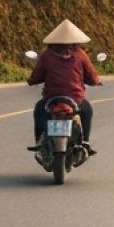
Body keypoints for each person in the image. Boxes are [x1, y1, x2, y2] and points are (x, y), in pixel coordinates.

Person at [28, 19, 103, 154]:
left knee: (39, 110)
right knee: (87, 110)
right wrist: (96, 81)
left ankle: (39, 141)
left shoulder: (47, 56)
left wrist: (32, 80)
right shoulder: (81, 55)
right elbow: (91, 76)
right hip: (75, 99)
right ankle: (85, 141)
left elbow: (36, 76)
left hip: (51, 99)